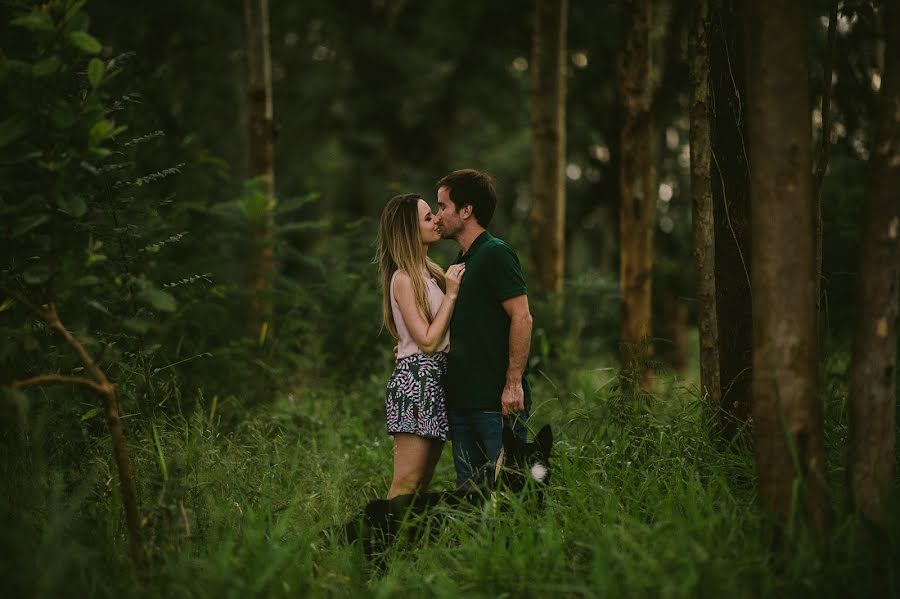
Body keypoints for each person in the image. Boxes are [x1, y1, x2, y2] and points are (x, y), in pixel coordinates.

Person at [433, 169, 534, 487]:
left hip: (496, 404)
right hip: (461, 404)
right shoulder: (459, 262)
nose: (438, 215)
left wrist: (513, 383)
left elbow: (523, 317)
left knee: (510, 491)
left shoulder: (495, 253)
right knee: (470, 498)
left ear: (466, 210)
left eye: (443, 206)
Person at [376, 193, 466, 499]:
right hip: (417, 380)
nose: (437, 220)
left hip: (437, 378)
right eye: (428, 217)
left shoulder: (430, 273)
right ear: (409, 231)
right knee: (406, 484)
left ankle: (403, 546)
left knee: (422, 484)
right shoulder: (403, 278)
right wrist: (452, 294)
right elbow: (427, 341)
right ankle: (376, 543)